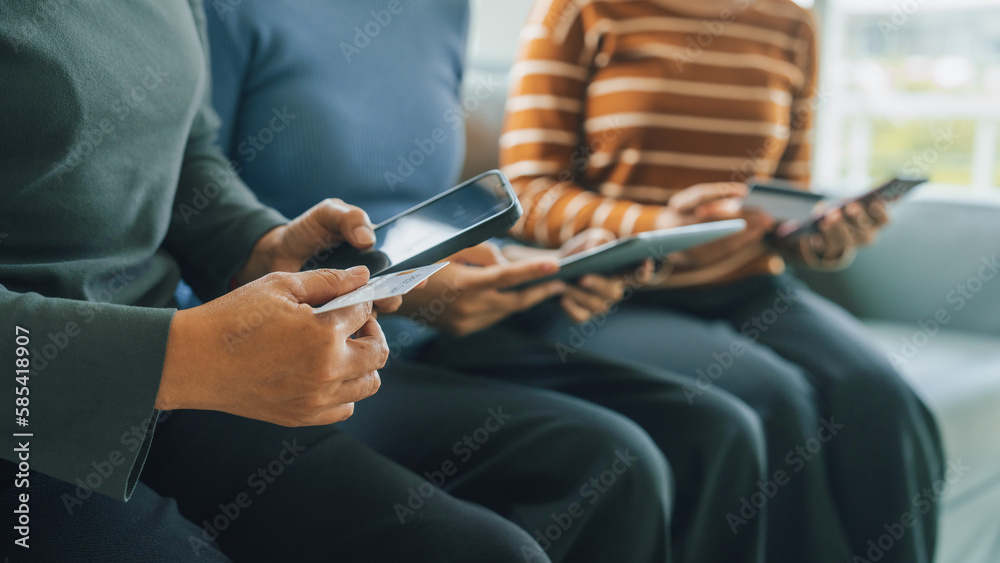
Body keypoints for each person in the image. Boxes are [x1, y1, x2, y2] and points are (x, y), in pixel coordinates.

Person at [0, 1, 677, 561]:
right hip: (31, 412)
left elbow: (188, 153)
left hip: (174, 393)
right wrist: (181, 355)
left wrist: (259, 245)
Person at [201, 1, 772, 561]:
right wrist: (394, 294)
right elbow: (197, 240)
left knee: (718, 432)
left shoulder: (443, 10)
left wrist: (542, 265)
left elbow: (424, 211)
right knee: (611, 462)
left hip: (443, 325)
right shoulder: (223, 12)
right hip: (328, 344)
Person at [496, 0, 945, 561]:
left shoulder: (791, 22)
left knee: (879, 395)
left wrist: (822, 234)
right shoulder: (579, 11)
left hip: (751, 284)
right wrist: (662, 228)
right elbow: (526, 194)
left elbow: (784, 205)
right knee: (773, 400)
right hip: (614, 296)